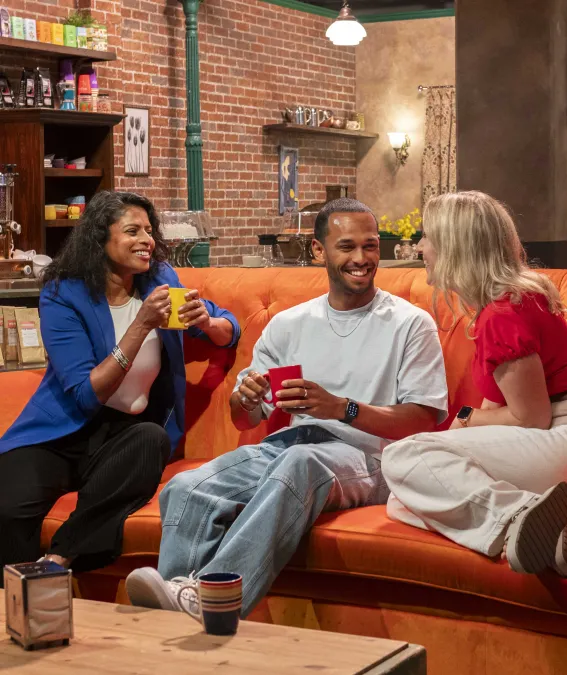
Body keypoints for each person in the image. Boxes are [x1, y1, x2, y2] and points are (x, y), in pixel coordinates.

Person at [125, 198, 449, 615]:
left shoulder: (410, 323)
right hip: (289, 446)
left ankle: (213, 603)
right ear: (318, 252)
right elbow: (245, 419)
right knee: (185, 489)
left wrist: (341, 408)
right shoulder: (290, 323)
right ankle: (176, 610)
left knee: (299, 462)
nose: (362, 259)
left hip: (372, 456)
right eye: (347, 247)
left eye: (370, 247)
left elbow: (421, 420)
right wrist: (245, 398)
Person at [381, 191, 567, 578]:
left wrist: (466, 418)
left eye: (426, 236)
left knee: (401, 458)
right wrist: (469, 422)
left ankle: (517, 517)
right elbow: (496, 414)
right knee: (402, 500)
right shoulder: (499, 308)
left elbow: (531, 418)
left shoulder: (504, 311)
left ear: (454, 247)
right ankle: (554, 535)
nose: (420, 246)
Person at [0, 191, 240, 584]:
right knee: (7, 506)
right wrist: (141, 325)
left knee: (151, 441)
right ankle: (16, 609)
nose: (147, 239)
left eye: (149, 230)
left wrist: (209, 323)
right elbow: (84, 392)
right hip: (62, 431)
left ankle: (56, 563)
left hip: (127, 435)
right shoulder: (63, 294)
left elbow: (229, 328)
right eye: (133, 231)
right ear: (100, 238)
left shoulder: (161, 279)